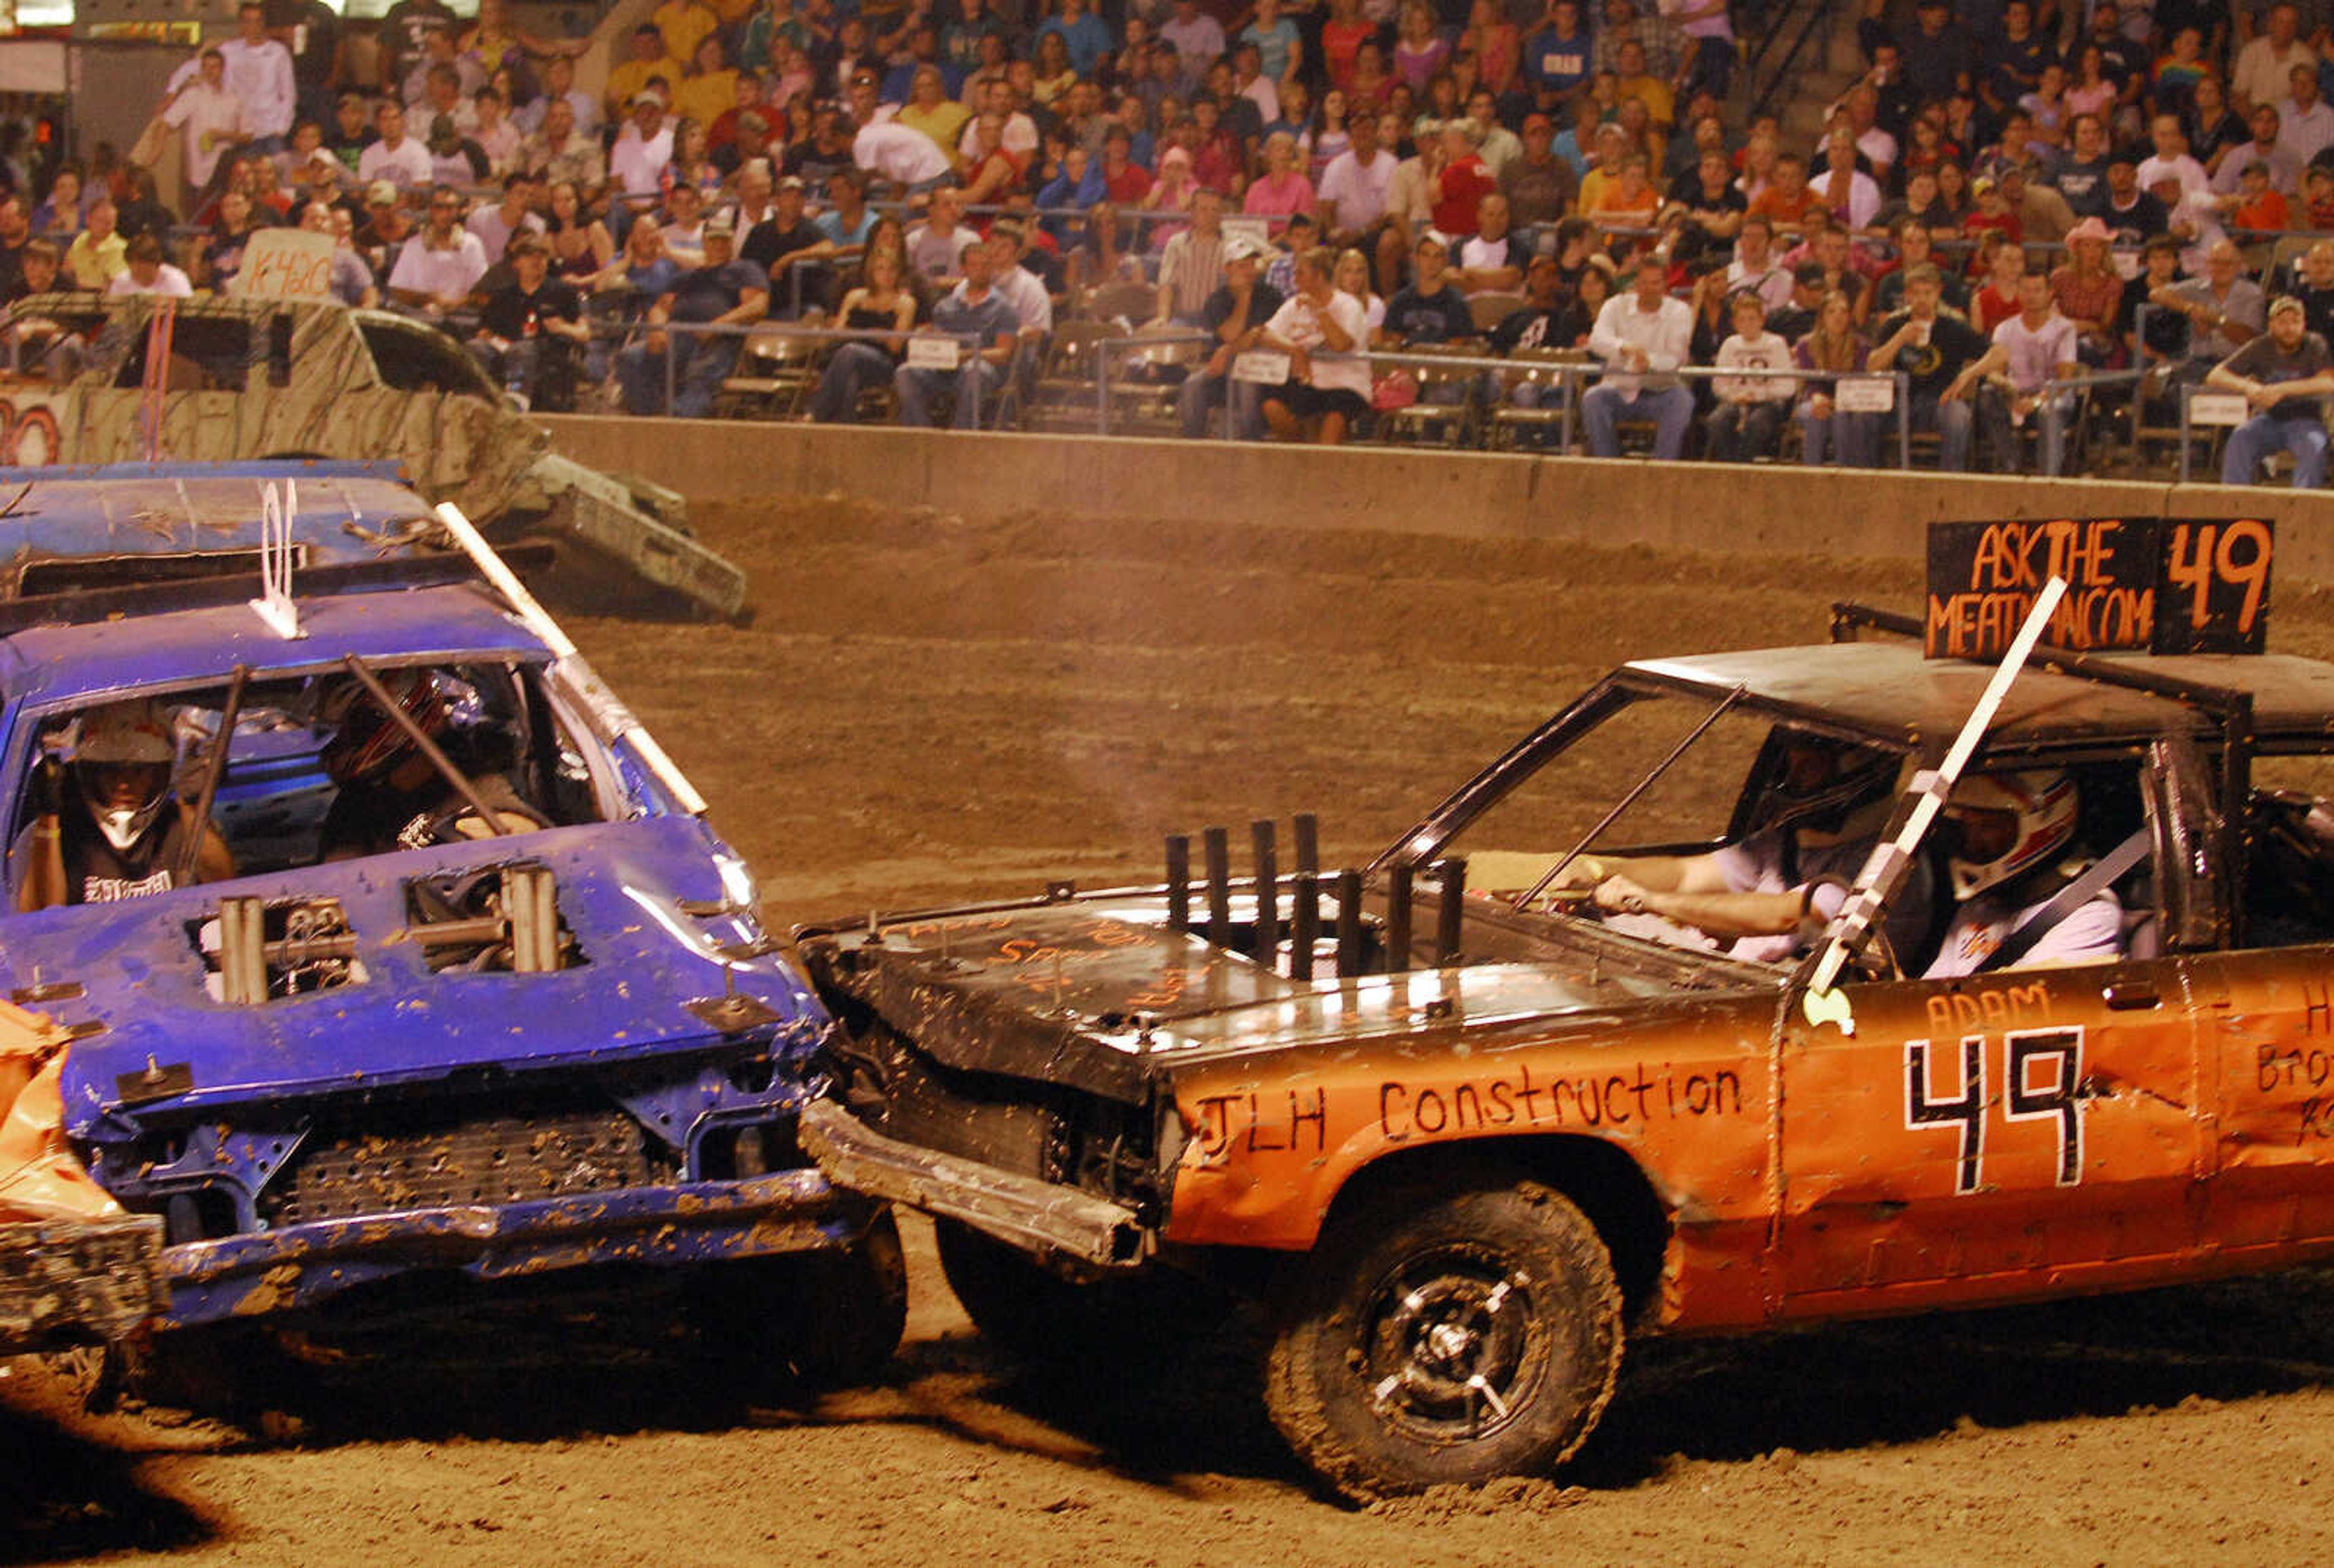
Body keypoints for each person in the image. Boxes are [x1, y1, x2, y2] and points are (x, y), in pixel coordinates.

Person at [1552, 736, 1931, 967]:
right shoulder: (1787, 843)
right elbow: (1686, 875)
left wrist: (1650, 902)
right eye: (1790, 768)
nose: (1791, 782)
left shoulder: (1883, 864)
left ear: (1857, 772)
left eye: (1808, 769)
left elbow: (1785, 917)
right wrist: (1598, 872)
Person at [15, 700, 233, 911]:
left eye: (139, 771)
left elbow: (225, 887)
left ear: (161, 774)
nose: (124, 784)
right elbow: (41, 917)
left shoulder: (181, 825)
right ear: (89, 773)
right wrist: (49, 816)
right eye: (111, 771)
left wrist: (192, 805)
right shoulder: (53, 834)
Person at [315, 672, 545, 862]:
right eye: (341, 731)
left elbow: (524, 830)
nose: (343, 740)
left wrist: (473, 835)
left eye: (354, 728)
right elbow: (334, 874)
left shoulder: (470, 783)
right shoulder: (356, 803)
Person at [1923, 771, 2122, 978]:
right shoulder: (1978, 909)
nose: (1973, 841)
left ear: (2044, 824)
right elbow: (1930, 991)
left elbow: (2027, 999)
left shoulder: (2089, 914)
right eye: (1968, 827)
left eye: (1988, 826)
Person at [618, 215, 768, 417]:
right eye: (714, 239)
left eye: (724, 239)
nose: (719, 244)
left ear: (732, 241)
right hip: (675, 337)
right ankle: (649, 419)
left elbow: (757, 306)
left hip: (718, 340)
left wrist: (717, 325)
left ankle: (678, 423)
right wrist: (657, 330)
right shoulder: (685, 277)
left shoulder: (744, 270)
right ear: (704, 242)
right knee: (630, 358)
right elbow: (660, 308)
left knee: (699, 377)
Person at [1867, 264, 1988, 470]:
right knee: (1864, 414)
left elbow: (1999, 353)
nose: (1922, 299)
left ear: (1938, 293)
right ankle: (1869, 480)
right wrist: (1899, 340)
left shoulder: (1953, 326)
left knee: (1958, 415)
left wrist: (1969, 374)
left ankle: (1949, 481)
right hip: (1900, 402)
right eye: (1916, 293)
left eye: (1927, 293)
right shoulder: (1895, 325)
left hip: (1939, 401)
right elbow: (1871, 367)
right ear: (1907, 295)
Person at [2207, 293, 2334, 487]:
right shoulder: (2261, 346)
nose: (2289, 328)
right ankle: (2233, 505)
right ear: (2271, 325)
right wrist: (2250, 387)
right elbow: (2215, 375)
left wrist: (2281, 390)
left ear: (2304, 325)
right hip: (2269, 420)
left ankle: (2302, 508)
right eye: (2282, 322)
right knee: (2241, 437)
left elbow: (2328, 382)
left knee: (2315, 446)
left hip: (2307, 421)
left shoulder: (2315, 344)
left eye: (2295, 322)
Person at [894, 235, 1018, 428]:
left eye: (985, 265)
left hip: (981, 369)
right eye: (974, 265)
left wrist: (966, 356)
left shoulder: (1004, 308)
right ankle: (924, 432)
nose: (981, 270)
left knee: (974, 370)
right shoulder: (945, 307)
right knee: (905, 372)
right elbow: (938, 341)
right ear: (963, 269)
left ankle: (962, 434)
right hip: (945, 368)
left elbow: (1003, 353)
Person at [1256, 246, 1372, 444]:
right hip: (1308, 382)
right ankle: (1299, 450)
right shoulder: (1294, 304)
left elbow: (1341, 344)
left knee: (1334, 417)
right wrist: (1295, 349)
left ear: (1318, 276)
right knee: (1271, 404)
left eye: (1300, 273)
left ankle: (1323, 465)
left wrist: (1318, 309)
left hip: (1344, 382)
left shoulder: (1349, 306)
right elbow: (1263, 334)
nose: (1295, 279)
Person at [1971, 272, 2082, 475]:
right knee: (1987, 394)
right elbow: (1995, 373)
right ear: (2018, 293)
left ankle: (2048, 476)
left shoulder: (2065, 328)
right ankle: (2011, 464)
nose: (2032, 296)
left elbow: (2064, 378)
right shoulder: (2004, 329)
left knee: (2049, 411)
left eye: (2038, 290)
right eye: (2026, 290)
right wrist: (2010, 392)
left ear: (2049, 294)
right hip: (2015, 394)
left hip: (2052, 395)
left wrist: (2037, 401)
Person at [1582, 261, 1694, 459]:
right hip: (1617, 388)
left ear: (1665, 285)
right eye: (1644, 283)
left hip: (1661, 390)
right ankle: (1607, 465)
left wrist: (1649, 362)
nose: (1649, 289)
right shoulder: (1616, 305)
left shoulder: (1680, 311)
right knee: (1593, 398)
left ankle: (1663, 467)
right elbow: (1596, 340)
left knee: (1683, 400)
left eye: (1655, 283)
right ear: (1635, 284)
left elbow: (1677, 357)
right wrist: (1623, 348)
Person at [1179, 231, 1283, 439]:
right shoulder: (1216, 301)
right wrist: (1244, 298)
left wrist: (1228, 351)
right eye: (1242, 266)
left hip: (1263, 368)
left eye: (1252, 265)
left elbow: (1259, 336)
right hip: (1225, 369)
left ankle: (1249, 449)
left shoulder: (1270, 296)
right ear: (1227, 269)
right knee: (1193, 384)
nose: (1249, 272)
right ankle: (1192, 448)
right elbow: (1230, 334)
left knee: (1247, 384)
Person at [470, 235, 587, 411]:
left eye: (541, 255)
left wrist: (563, 328)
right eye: (529, 256)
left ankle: (516, 403)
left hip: (547, 352)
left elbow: (585, 333)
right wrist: (493, 340)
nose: (536, 260)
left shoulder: (562, 292)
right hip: (504, 348)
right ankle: (474, 399)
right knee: (476, 347)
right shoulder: (503, 296)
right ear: (516, 263)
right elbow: (484, 331)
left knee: (522, 350)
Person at [810, 244, 918, 423]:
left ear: (899, 272)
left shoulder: (905, 303)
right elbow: (837, 334)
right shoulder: (855, 296)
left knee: (850, 351)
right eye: (881, 269)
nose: (887, 274)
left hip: (883, 363)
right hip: (847, 362)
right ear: (871, 272)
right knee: (850, 379)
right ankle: (845, 431)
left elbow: (895, 345)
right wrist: (874, 334)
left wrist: (857, 334)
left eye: (892, 269)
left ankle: (816, 415)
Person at [1702, 289, 1794, 463]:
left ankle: (1744, 467)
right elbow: (1718, 384)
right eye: (1742, 320)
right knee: (1717, 421)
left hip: (1768, 403)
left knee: (1758, 423)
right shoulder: (1730, 344)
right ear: (1734, 323)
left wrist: (1759, 396)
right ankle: (1730, 466)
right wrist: (1734, 396)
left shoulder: (1776, 343)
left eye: (1752, 319)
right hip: (1736, 401)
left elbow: (1788, 387)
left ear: (1762, 320)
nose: (1748, 324)